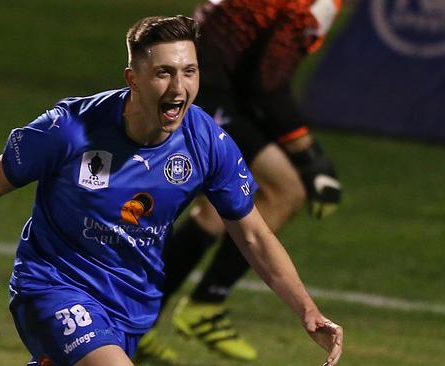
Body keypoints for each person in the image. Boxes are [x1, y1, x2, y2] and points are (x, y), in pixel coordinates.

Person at [0, 15, 343, 366]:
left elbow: (253, 236)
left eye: (190, 72)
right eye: (164, 73)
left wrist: (308, 312)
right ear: (133, 79)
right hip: (50, 287)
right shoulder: (70, 129)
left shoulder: (208, 143)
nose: (180, 87)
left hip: (130, 308)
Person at [135, 0, 343, 363]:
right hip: (206, 87)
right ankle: (205, 304)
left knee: (218, 212)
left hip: (209, 81)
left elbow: (255, 71)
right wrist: (311, 159)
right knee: (285, 190)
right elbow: (269, 83)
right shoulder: (315, 4)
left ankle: (140, 323)